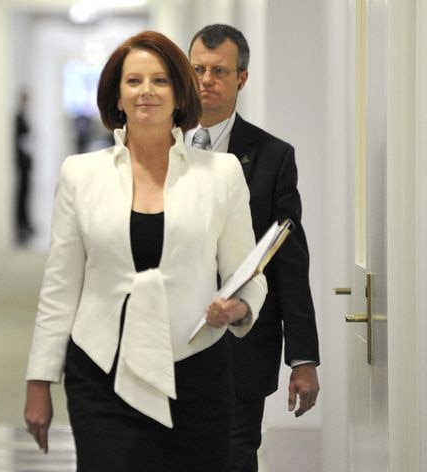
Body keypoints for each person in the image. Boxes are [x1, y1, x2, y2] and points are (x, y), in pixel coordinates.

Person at [23, 30, 268, 471]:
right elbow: (60, 286)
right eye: (133, 81)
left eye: (160, 80)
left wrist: (239, 308)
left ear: (179, 93)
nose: (146, 92)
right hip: (102, 370)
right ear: (117, 96)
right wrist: (39, 379)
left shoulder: (221, 174)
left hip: (196, 370)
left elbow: (247, 274)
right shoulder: (81, 174)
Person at [186, 24, 321, 472]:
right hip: (166, 347)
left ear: (241, 78)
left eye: (219, 71)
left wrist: (302, 359)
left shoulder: (272, 157)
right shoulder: (155, 148)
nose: (206, 80)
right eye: (198, 69)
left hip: (240, 352)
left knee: (233, 458)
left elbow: (288, 261)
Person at [15, 91, 35, 244]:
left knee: (27, 194)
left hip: (26, 164)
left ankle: (26, 223)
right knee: (22, 194)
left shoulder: (24, 117)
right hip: (21, 163)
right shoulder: (18, 118)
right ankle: (21, 224)